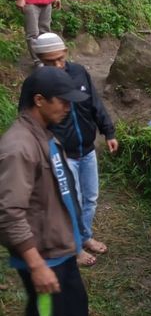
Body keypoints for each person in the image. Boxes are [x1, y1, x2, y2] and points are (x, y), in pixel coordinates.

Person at [0, 67, 111, 316]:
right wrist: (35, 265)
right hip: (42, 254)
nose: (68, 108)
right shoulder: (18, 147)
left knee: (74, 308)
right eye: (62, 102)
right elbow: (9, 212)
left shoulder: (46, 133)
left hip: (62, 248)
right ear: (39, 100)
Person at [32, 33, 117, 268]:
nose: (57, 66)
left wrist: (108, 131)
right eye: (50, 62)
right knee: (72, 202)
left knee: (90, 197)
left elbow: (95, 103)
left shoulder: (79, 72)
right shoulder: (37, 85)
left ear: (66, 53)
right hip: (62, 155)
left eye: (60, 59)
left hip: (87, 150)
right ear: (39, 59)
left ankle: (85, 236)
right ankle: (75, 248)